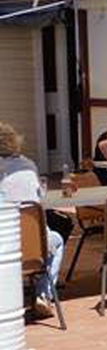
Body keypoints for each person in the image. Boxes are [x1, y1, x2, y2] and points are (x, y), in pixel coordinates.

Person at [0, 123, 63, 320]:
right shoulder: (29, 165)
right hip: (35, 246)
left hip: (5, 244)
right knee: (57, 239)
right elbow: (38, 197)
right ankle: (43, 293)